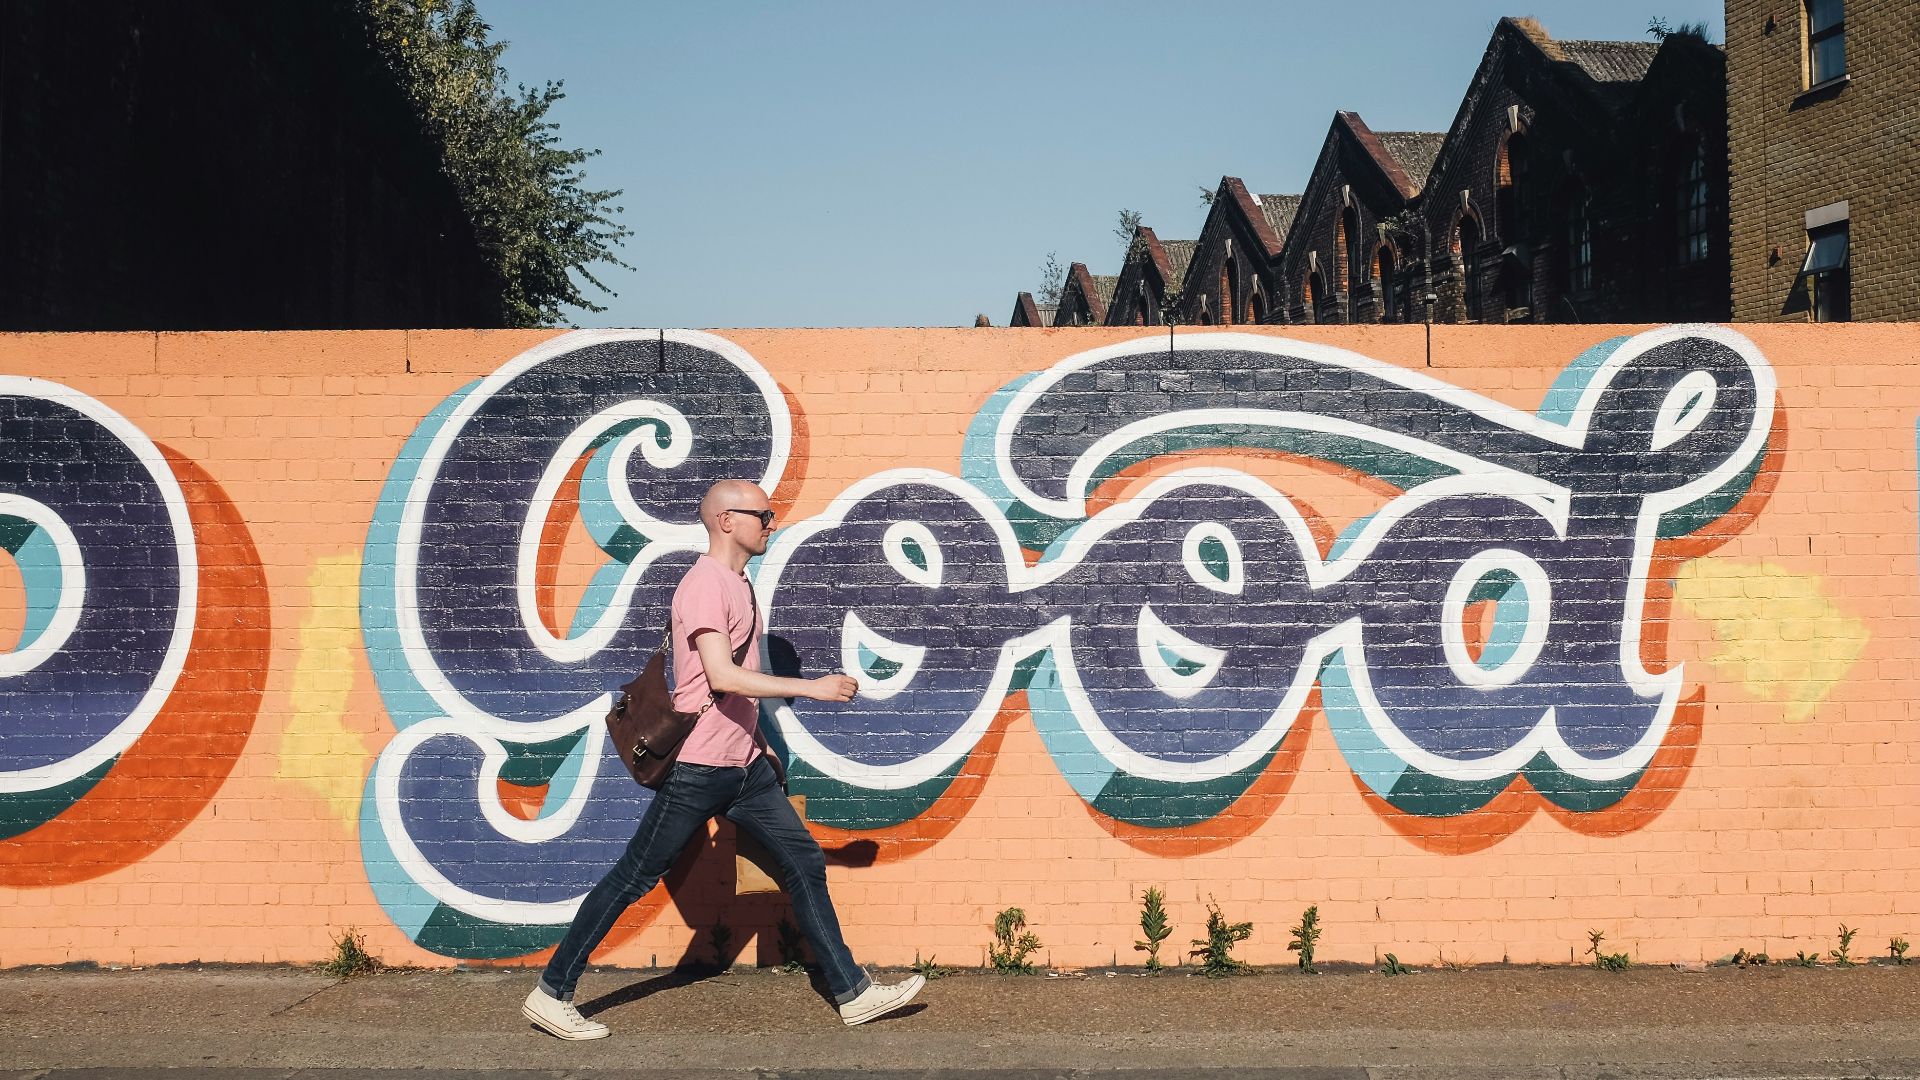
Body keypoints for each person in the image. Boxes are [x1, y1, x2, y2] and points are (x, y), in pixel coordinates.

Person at [522, 479, 926, 1040]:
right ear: (726, 521)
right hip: (700, 768)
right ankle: (552, 991)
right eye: (763, 514)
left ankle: (852, 993)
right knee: (635, 877)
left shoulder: (738, 584)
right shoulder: (704, 585)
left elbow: (732, 691)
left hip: (744, 769)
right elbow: (721, 676)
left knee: (803, 861)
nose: (771, 522)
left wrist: (756, 743)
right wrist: (812, 689)